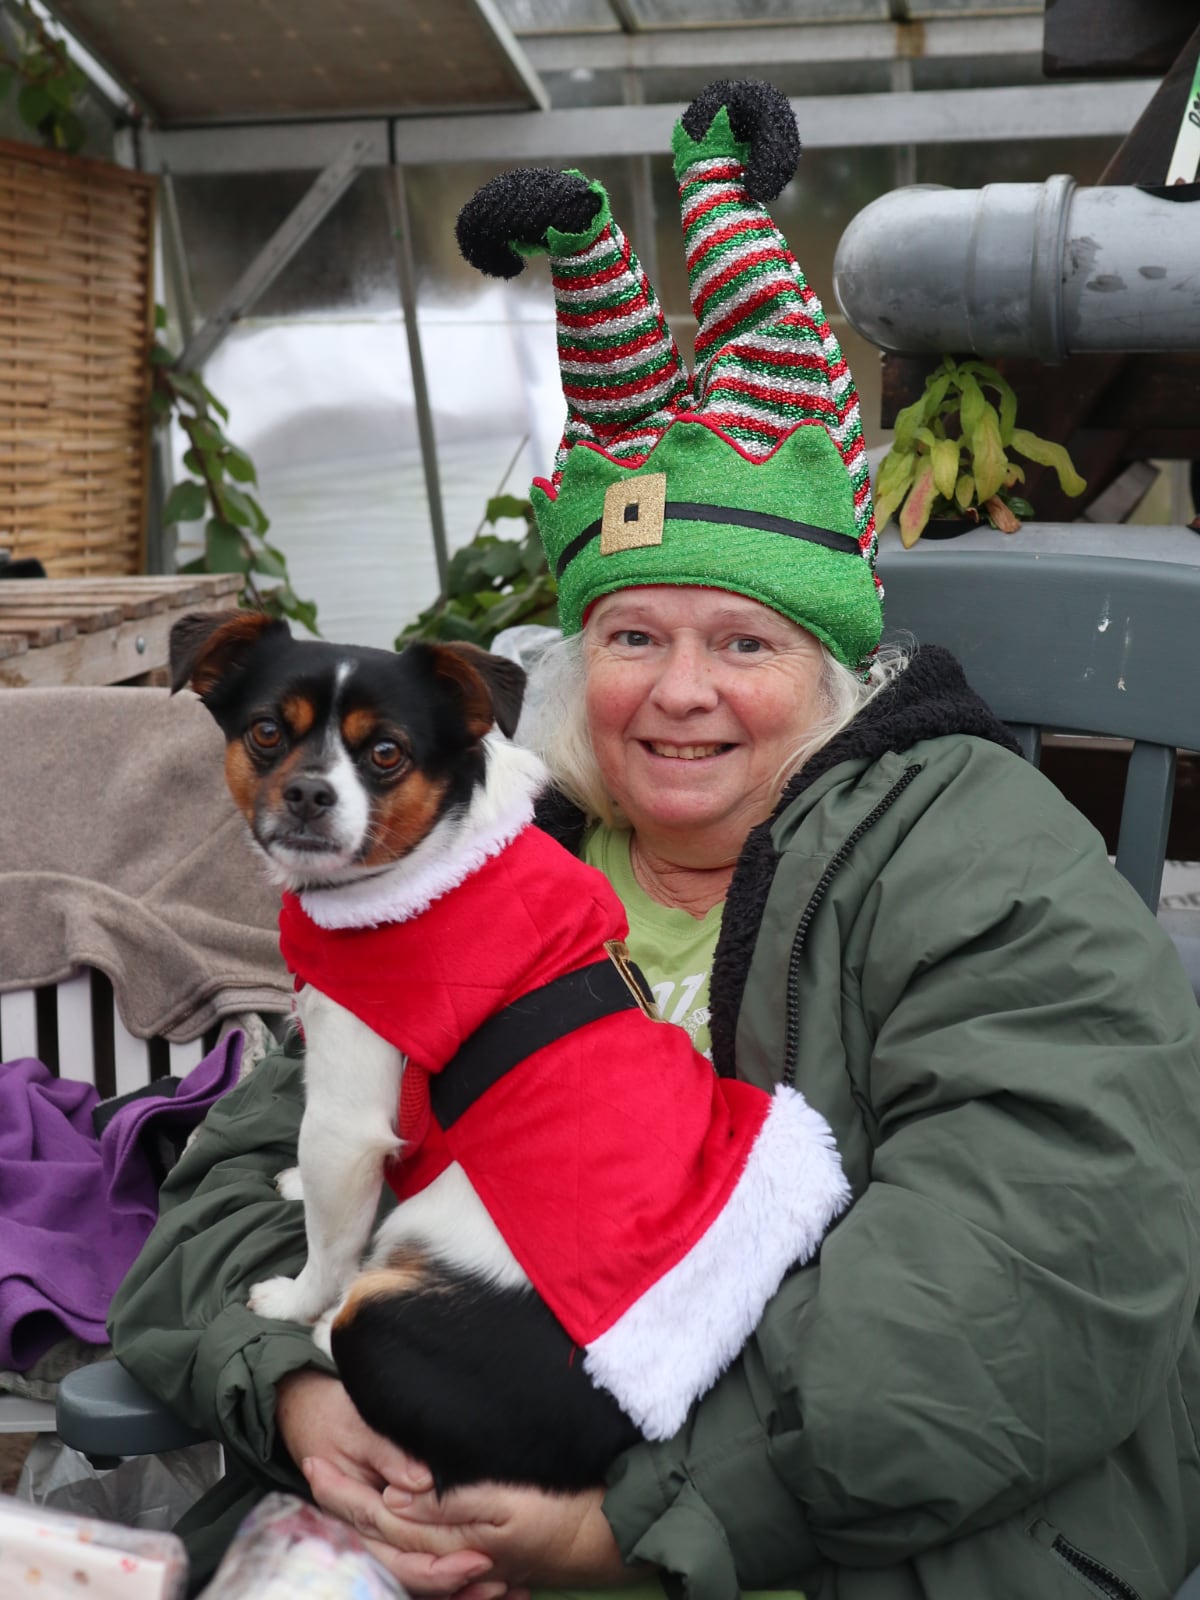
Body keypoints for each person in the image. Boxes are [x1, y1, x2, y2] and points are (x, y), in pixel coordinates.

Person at [109, 79, 1200, 1600]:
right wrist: (291, 1388)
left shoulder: (976, 857)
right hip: (426, 1478)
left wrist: (630, 1526)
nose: (679, 692)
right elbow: (244, 1189)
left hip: (830, 1545)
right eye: (630, 633)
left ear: (825, 673)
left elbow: (1027, 1276)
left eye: (743, 644)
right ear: (567, 659)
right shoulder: (464, 859)